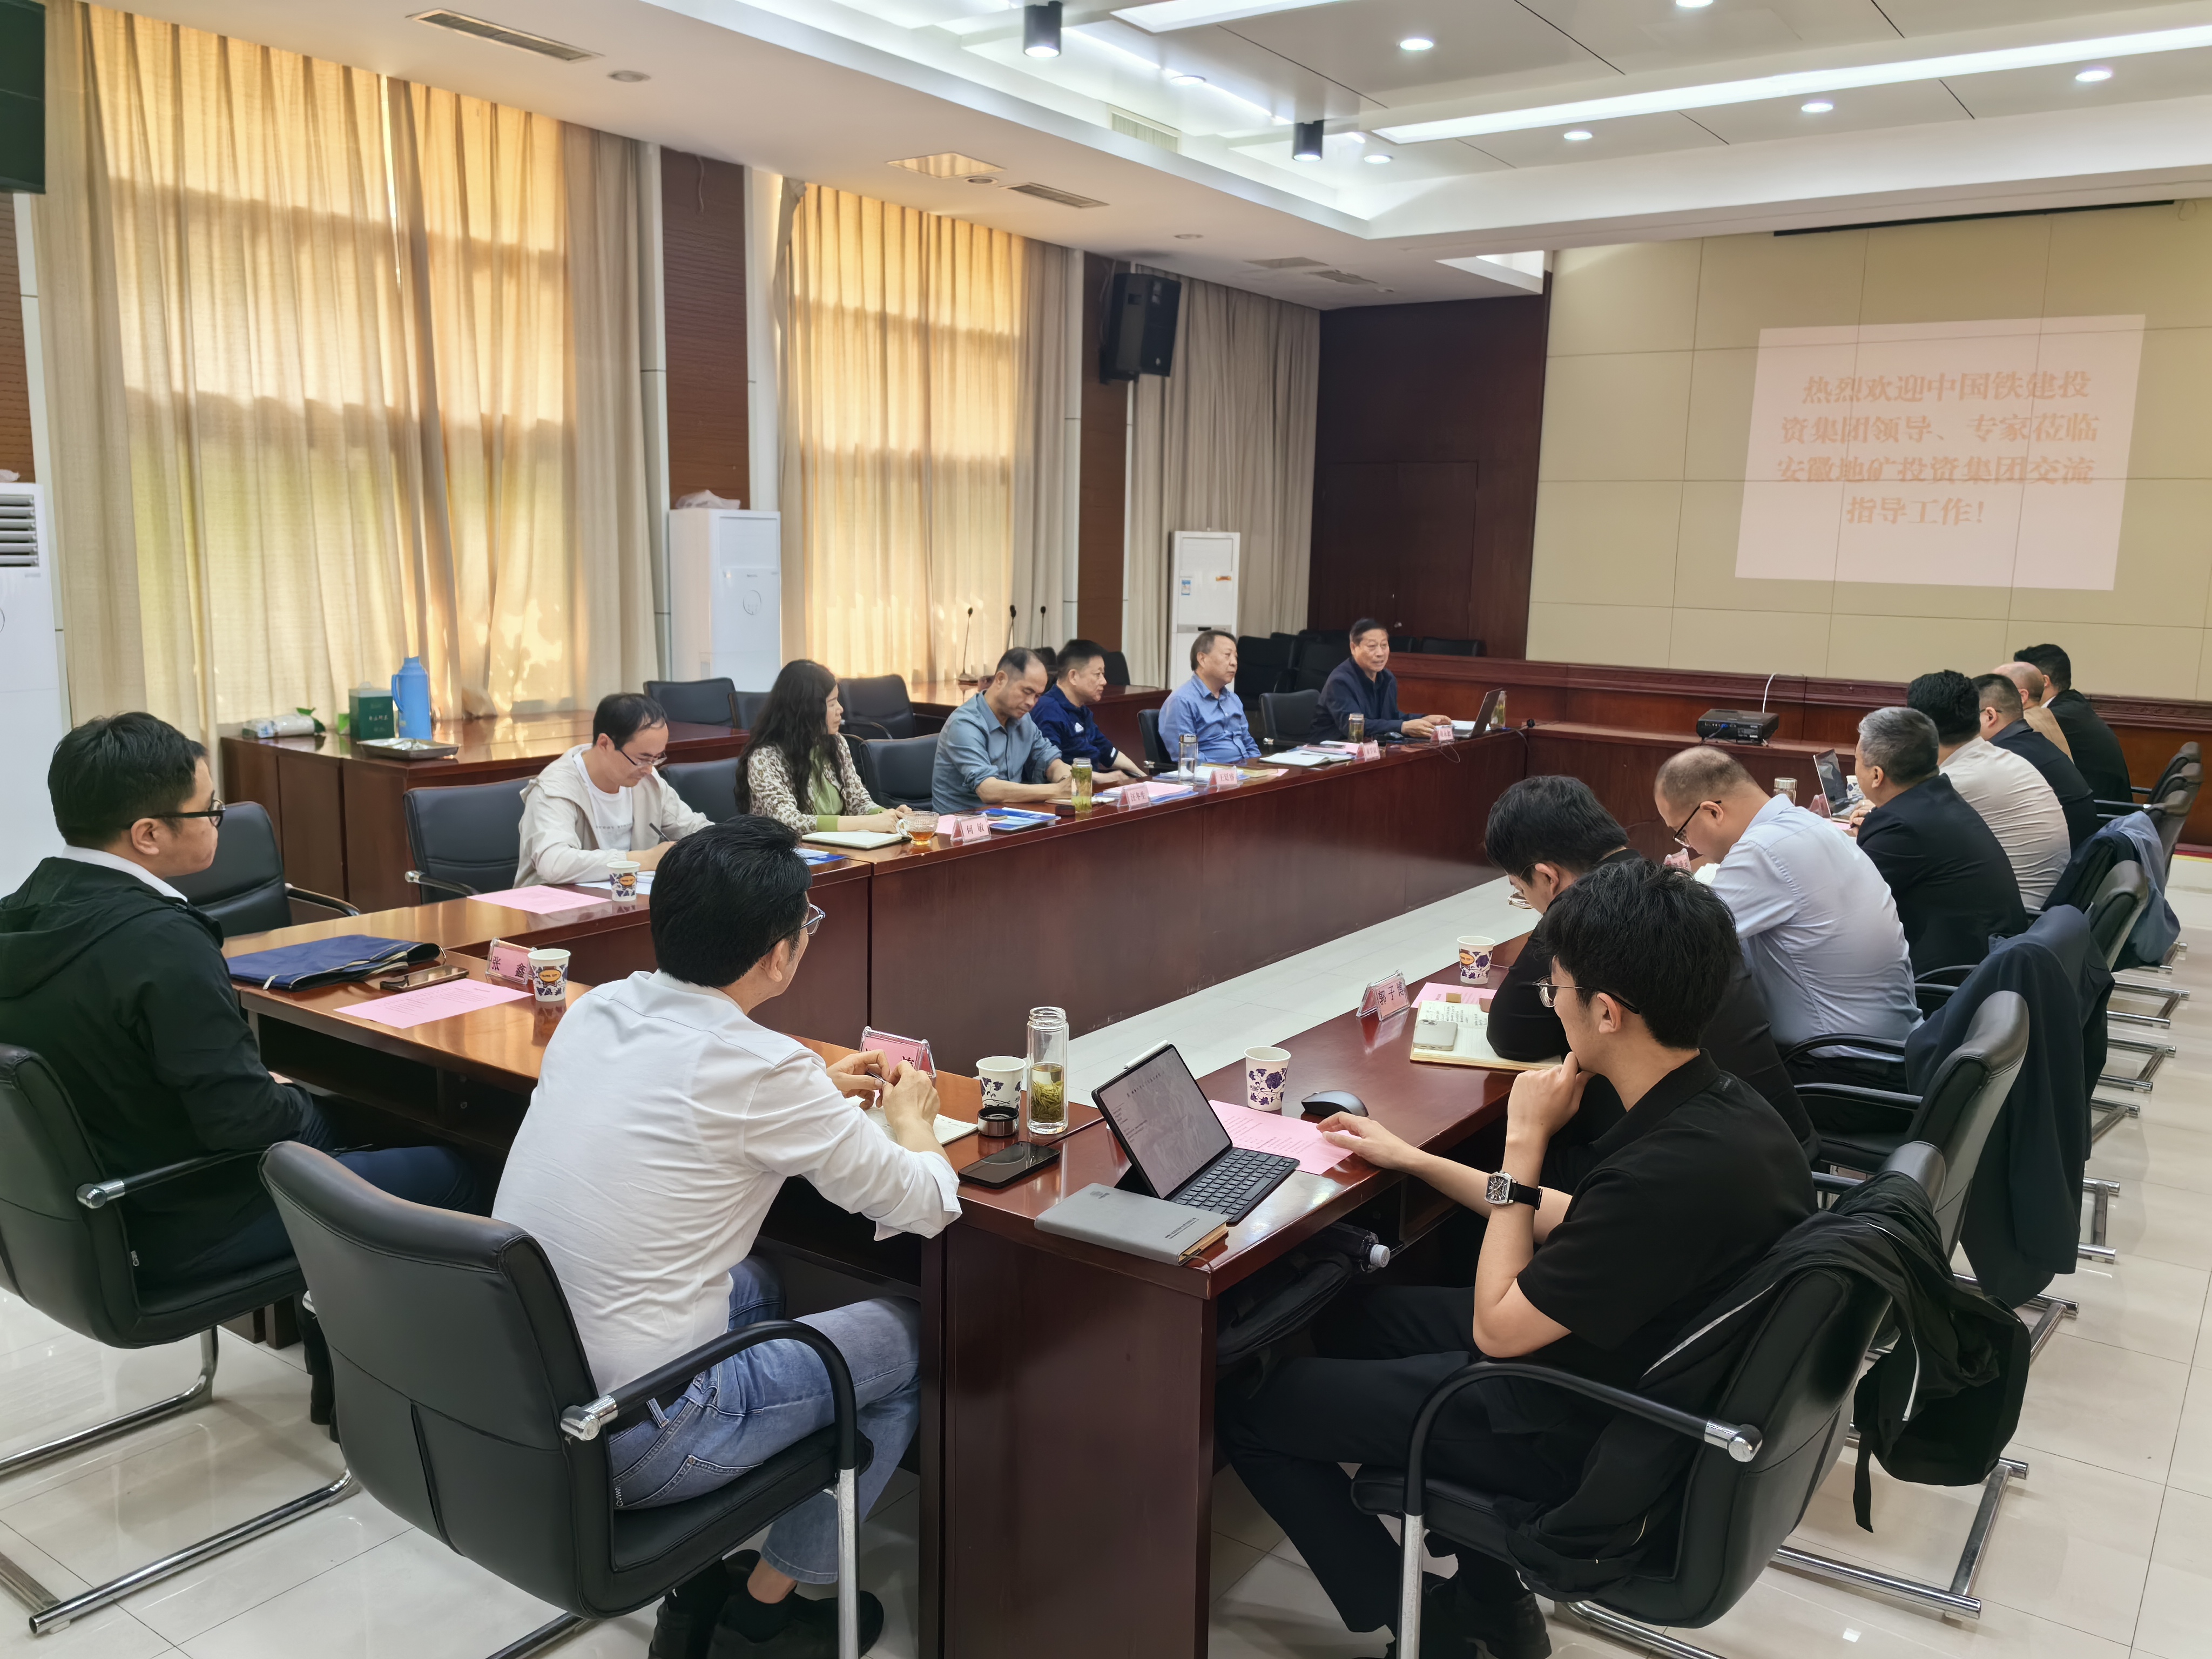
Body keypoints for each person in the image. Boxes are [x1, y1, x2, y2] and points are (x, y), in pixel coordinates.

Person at [1219, 861, 1813, 1658]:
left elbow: (1498, 1332)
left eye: (1554, 990)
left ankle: (1430, 1626)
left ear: (1606, 1012)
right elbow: (1586, 1220)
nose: (1550, 1004)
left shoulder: (1665, 1173)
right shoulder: (1728, 1115)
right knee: (1360, 1317)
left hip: (1571, 1422)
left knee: (1252, 1415)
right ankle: (1494, 1600)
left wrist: (1523, 1143)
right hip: (1622, 1361)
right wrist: (1415, 1159)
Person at [494, 818, 960, 1659]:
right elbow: (925, 1201)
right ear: (779, 955)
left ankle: (710, 1569)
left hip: (523, 1398)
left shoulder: (597, 1008)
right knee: (913, 1335)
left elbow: (692, 1097)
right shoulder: (763, 1070)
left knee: (764, 1284)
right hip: (636, 1437)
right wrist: (913, 1119)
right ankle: (761, 1609)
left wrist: (813, 1092)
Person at [0, 714, 479, 1295]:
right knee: (461, 1169)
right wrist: (314, 1106)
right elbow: (245, 1122)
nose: (218, 821)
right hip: (187, 1220)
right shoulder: (159, 941)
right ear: (148, 834)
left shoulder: (19, 914)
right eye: (209, 810)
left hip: (80, 1224)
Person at [1481, 776, 1816, 1172]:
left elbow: (1512, 1034)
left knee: (1497, 1149)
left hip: (1698, 1169)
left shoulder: (1593, 910)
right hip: (1772, 1138)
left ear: (1548, 877)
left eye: (1521, 891)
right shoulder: (1674, 893)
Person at [1654, 746, 1917, 1085]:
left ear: (1712, 812)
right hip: (1892, 1052)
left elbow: (1675, 940)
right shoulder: (1808, 824)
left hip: (1840, 1072)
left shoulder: (1763, 851)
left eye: (1682, 832)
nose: (1687, 844)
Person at [1849, 707, 2026, 975]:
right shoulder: (1940, 797)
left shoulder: (1900, 829)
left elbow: (1845, 906)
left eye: (1857, 760)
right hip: (1992, 960)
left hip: (1953, 979)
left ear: (1877, 775)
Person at [1902, 670, 2069, 908]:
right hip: (2043, 909)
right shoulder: (2004, 758)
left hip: (2015, 916)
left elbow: (1899, 837)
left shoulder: (1956, 781)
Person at [515, 693, 712, 887]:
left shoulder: (648, 781)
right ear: (605, 744)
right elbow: (554, 863)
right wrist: (644, 859)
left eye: (657, 758)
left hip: (627, 898)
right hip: (556, 904)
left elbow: (694, 829)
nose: (649, 769)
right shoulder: (554, 789)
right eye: (642, 759)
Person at [738, 659, 929, 835]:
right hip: (783, 853)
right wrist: (868, 822)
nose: (840, 709)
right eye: (831, 704)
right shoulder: (765, 757)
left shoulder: (836, 743)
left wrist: (889, 816)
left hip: (837, 849)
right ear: (806, 710)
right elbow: (790, 822)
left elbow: (858, 802)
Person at [930, 648, 1073, 814]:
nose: (1031, 703)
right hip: (965, 823)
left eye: (1037, 696)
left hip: (1011, 817)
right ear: (1000, 679)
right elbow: (988, 790)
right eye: (1027, 692)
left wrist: (1066, 780)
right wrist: (1057, 790)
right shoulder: (964, 724)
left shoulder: (1023, 719)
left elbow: (1050, 760)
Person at [1974, 672, 2099, 849]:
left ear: (1990, 716)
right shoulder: (2036, 743)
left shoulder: (2004, 757)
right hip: (2078, 854)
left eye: (1969, 718)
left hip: (2060, 859)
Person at [2013, 643, 2133, 806]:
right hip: (2100, 806)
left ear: (2044, 681)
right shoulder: (2072, 705)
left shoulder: (2057, 717)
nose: (2006, 690)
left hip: (2099, 813)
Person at [1029, 639, 1145, 786]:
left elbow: (1109, 752)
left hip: (1089, 787)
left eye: (1103, 674)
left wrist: (1142, 777)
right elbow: (1052, 767)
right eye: (1098, 674)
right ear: (1073, 676)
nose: (1104, 681)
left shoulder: (1082, 711)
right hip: (1067, 792)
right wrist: (1102, 778)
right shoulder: (1048, 711)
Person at [1310, 620, 1444, 743]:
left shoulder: (1387, 678)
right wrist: (1403, 727)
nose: (1380, 653)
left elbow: (1391, 717)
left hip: (1371, 747)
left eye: (1384, 645)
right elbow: (1353, 727)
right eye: (1372, 646)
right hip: (1333, 749)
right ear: (1354, 648)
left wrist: (1422, 719)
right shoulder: (1340, 681)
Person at [1158, 629, 1260, 764]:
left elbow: (1249, 744)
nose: (1234, 663)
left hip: (1244, 771)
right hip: (1212, 774)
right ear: (1202, 659)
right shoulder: (1182, 701)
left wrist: (1260, 768)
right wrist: (1227, 772)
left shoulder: (1233, 699)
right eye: (1227, 655)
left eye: (1235, 657)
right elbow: (1188, 757)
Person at [1993, 660, 2072, 759]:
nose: (1989, 695)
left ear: (2022, 697)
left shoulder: (2022, 726)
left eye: (1996, 690)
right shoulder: (2047, 716)